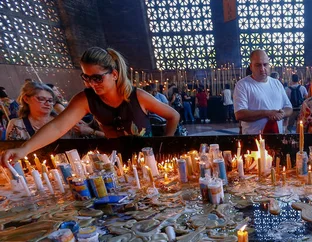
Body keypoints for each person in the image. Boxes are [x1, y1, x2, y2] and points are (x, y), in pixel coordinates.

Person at [1, 47, 179, 162]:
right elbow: (57, 127)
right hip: (117, 159)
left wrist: (166, 144)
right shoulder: (85, 99)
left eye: (97, 78)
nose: (91, 84)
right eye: (86, 77)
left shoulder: (137, 96)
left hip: (148, 158)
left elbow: (174, 116)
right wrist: (24, 149)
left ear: (114, 74)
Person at [3, 81, 92, 140]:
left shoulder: (64, 121)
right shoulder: (17, 124)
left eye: (50, 100)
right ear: (26, 99)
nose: (47, 103)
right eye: (41, 99)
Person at [233, 49, 292, 134]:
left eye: (265, 64)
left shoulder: (276, 83)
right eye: (258, 65)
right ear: (251, 66)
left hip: (276, 136)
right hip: (253, 139)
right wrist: (267, 113)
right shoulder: (242, 85)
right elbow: (240, 114)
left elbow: (289, 108)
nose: (262, 69)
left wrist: (282, 114)